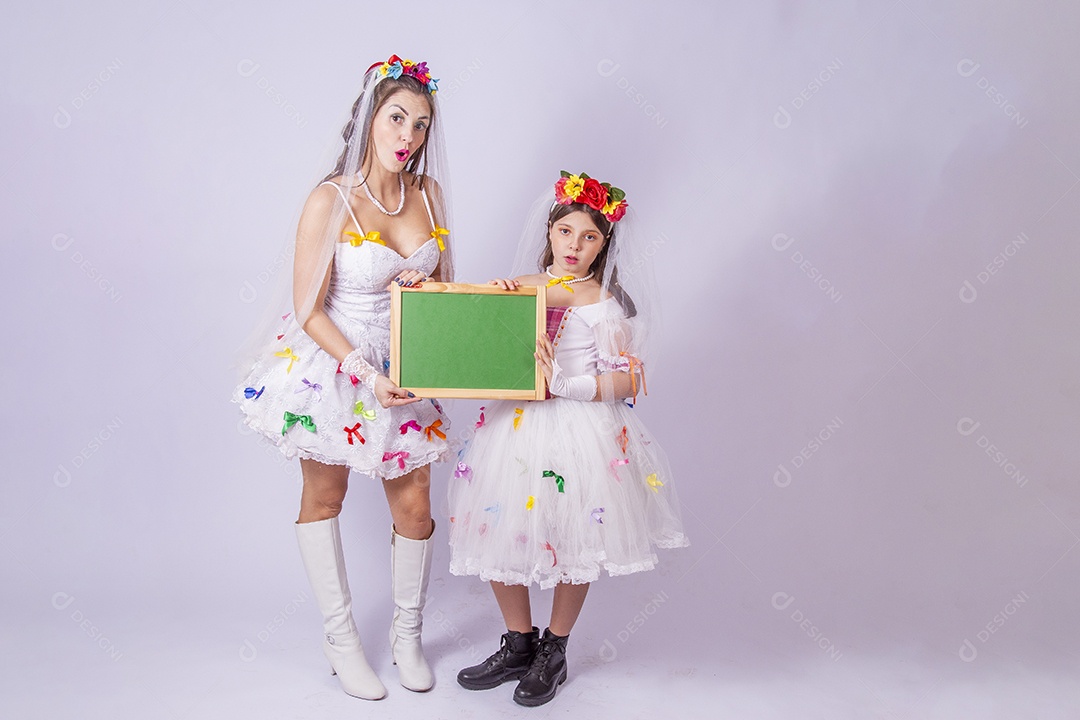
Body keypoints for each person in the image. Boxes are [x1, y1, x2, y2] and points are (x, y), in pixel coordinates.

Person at [232, 55, 453, 700]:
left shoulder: (429, 195)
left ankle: (408, 637)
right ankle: (341, 640)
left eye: (420, 124)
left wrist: (429, 286)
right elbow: (306, 308)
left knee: (414, 504)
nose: (407, 135)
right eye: (395, 118)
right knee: (325, 498)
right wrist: (362, 371)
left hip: (406, 367)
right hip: (337, 363)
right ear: (369, 118)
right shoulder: (330, 200)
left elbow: (442, 285)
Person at [447, 172, 689, 707]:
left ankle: (554, 649)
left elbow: (626, 381)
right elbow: (470, 335)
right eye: (566, 232)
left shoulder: (605, 303)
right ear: (550, 232)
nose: (575, 246)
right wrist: (493, 302)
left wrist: (566, 384)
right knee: (498, 525)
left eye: (589, 237)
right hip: (514, 428)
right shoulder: (522, 286)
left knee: (574, 533)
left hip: (578, 427)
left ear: (604, 245)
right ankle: (518, 643)